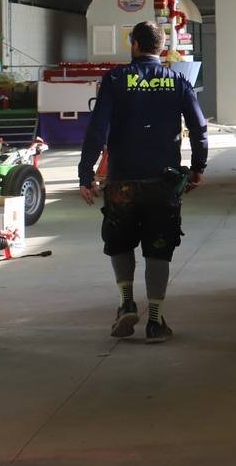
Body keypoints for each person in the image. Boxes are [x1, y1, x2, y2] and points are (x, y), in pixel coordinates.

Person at [78, 20, 207, 344]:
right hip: (163, 184)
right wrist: (197, 168)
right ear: (161, 47)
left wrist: (86, 174)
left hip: (122, 181)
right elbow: (200, 129)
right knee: (158, 248)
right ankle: (154, 321)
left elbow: (97, 130)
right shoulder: (177, 81)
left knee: (119, 242)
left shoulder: (115, 80)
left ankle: (125, 304)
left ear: (134, 44)